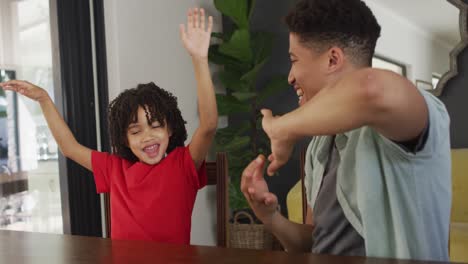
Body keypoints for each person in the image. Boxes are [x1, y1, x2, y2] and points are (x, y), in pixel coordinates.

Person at [240, 0, 451, 261]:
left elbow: (371, 88)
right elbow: (313, 244)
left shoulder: (419, 112)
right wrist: (270, 217)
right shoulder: (320, 145)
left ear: (332, 59)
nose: (290, 76)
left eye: (294, 60)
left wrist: (281, 128)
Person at [0, 7, 217, 245]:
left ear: (170, 129)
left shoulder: (183, 164)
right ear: (124, 139)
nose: (147, 137)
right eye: (136, 131)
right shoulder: (115, 168)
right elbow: (69, 148)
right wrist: (44, 99)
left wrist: (199, 59)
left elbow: (207, 125)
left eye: (155, 126)